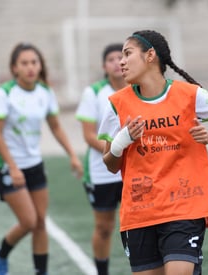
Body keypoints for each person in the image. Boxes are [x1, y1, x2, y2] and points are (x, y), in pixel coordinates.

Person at [98, 30, 208, 275]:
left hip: (185, 207)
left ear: (150, 56)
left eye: (127, 54)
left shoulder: (191, 95)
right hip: (140, 211)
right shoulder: (117, 104)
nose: (120, 62)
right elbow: (111, 164)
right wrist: (122, 140)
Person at [0, 42, 83, 275]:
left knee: (40, 222)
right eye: (24, 63)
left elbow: (56, 126)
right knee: (29, 221)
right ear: (14, 68)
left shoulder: (45, 92)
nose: (30, 67)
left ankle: (41, 271)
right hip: (5, 165)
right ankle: (0, 253)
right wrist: (13, 168)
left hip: (34, 164)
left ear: (40, 66)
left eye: (34, 62)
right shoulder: (3, 94)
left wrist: (72, 155)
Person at [75, 43, 126, 275]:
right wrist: (116, 150)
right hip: (101, 171)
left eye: (121, 57)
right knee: (104, 227)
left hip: (131, 169)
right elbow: (88, 135)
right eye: (111, 59)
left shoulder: (137, 89)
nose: (117, 62)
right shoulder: (93, 92)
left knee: (135, 225)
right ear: (104, 66)